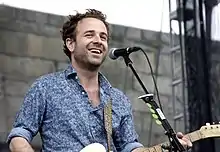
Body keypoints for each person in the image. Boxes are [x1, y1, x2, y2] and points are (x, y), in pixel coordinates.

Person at [7, 9, 192, 152]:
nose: (98, 41)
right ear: (70, 43)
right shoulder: (45, 87)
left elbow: (129, 146)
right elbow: (19, 136)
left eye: (103, 37)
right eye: (89, 35)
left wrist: (167, 148)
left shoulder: (117, 99)